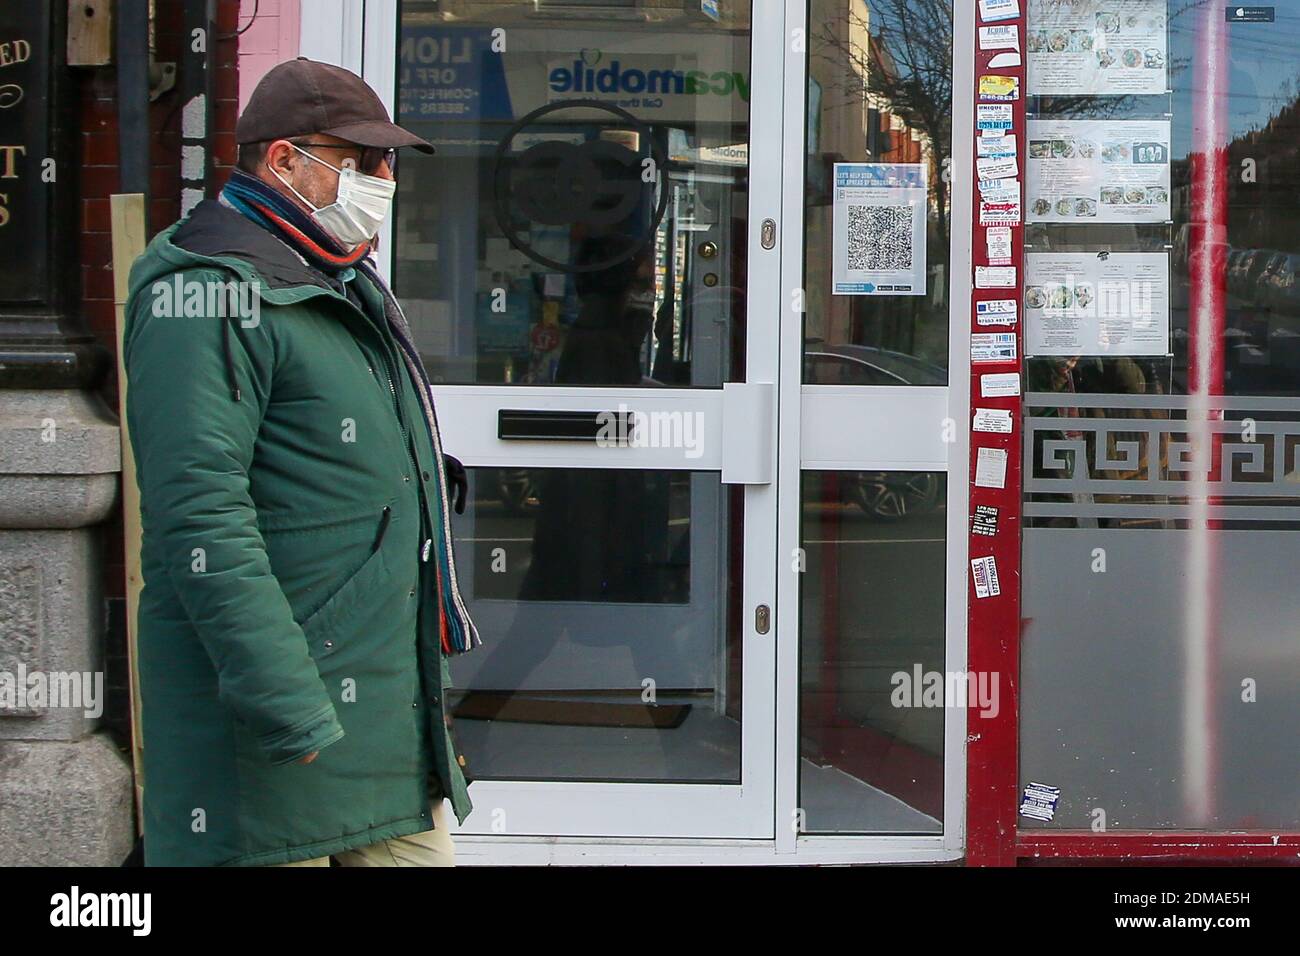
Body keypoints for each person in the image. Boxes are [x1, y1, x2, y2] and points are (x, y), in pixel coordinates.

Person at [122, 57, 481, 866]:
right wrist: (287, 703)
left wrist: (425, 710)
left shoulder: (339, 278)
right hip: (273, 736)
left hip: (378, 724)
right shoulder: (207, 291)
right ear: (285, 160)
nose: (384, 179)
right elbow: (200, 515)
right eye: (360, 161)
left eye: (388, 161)